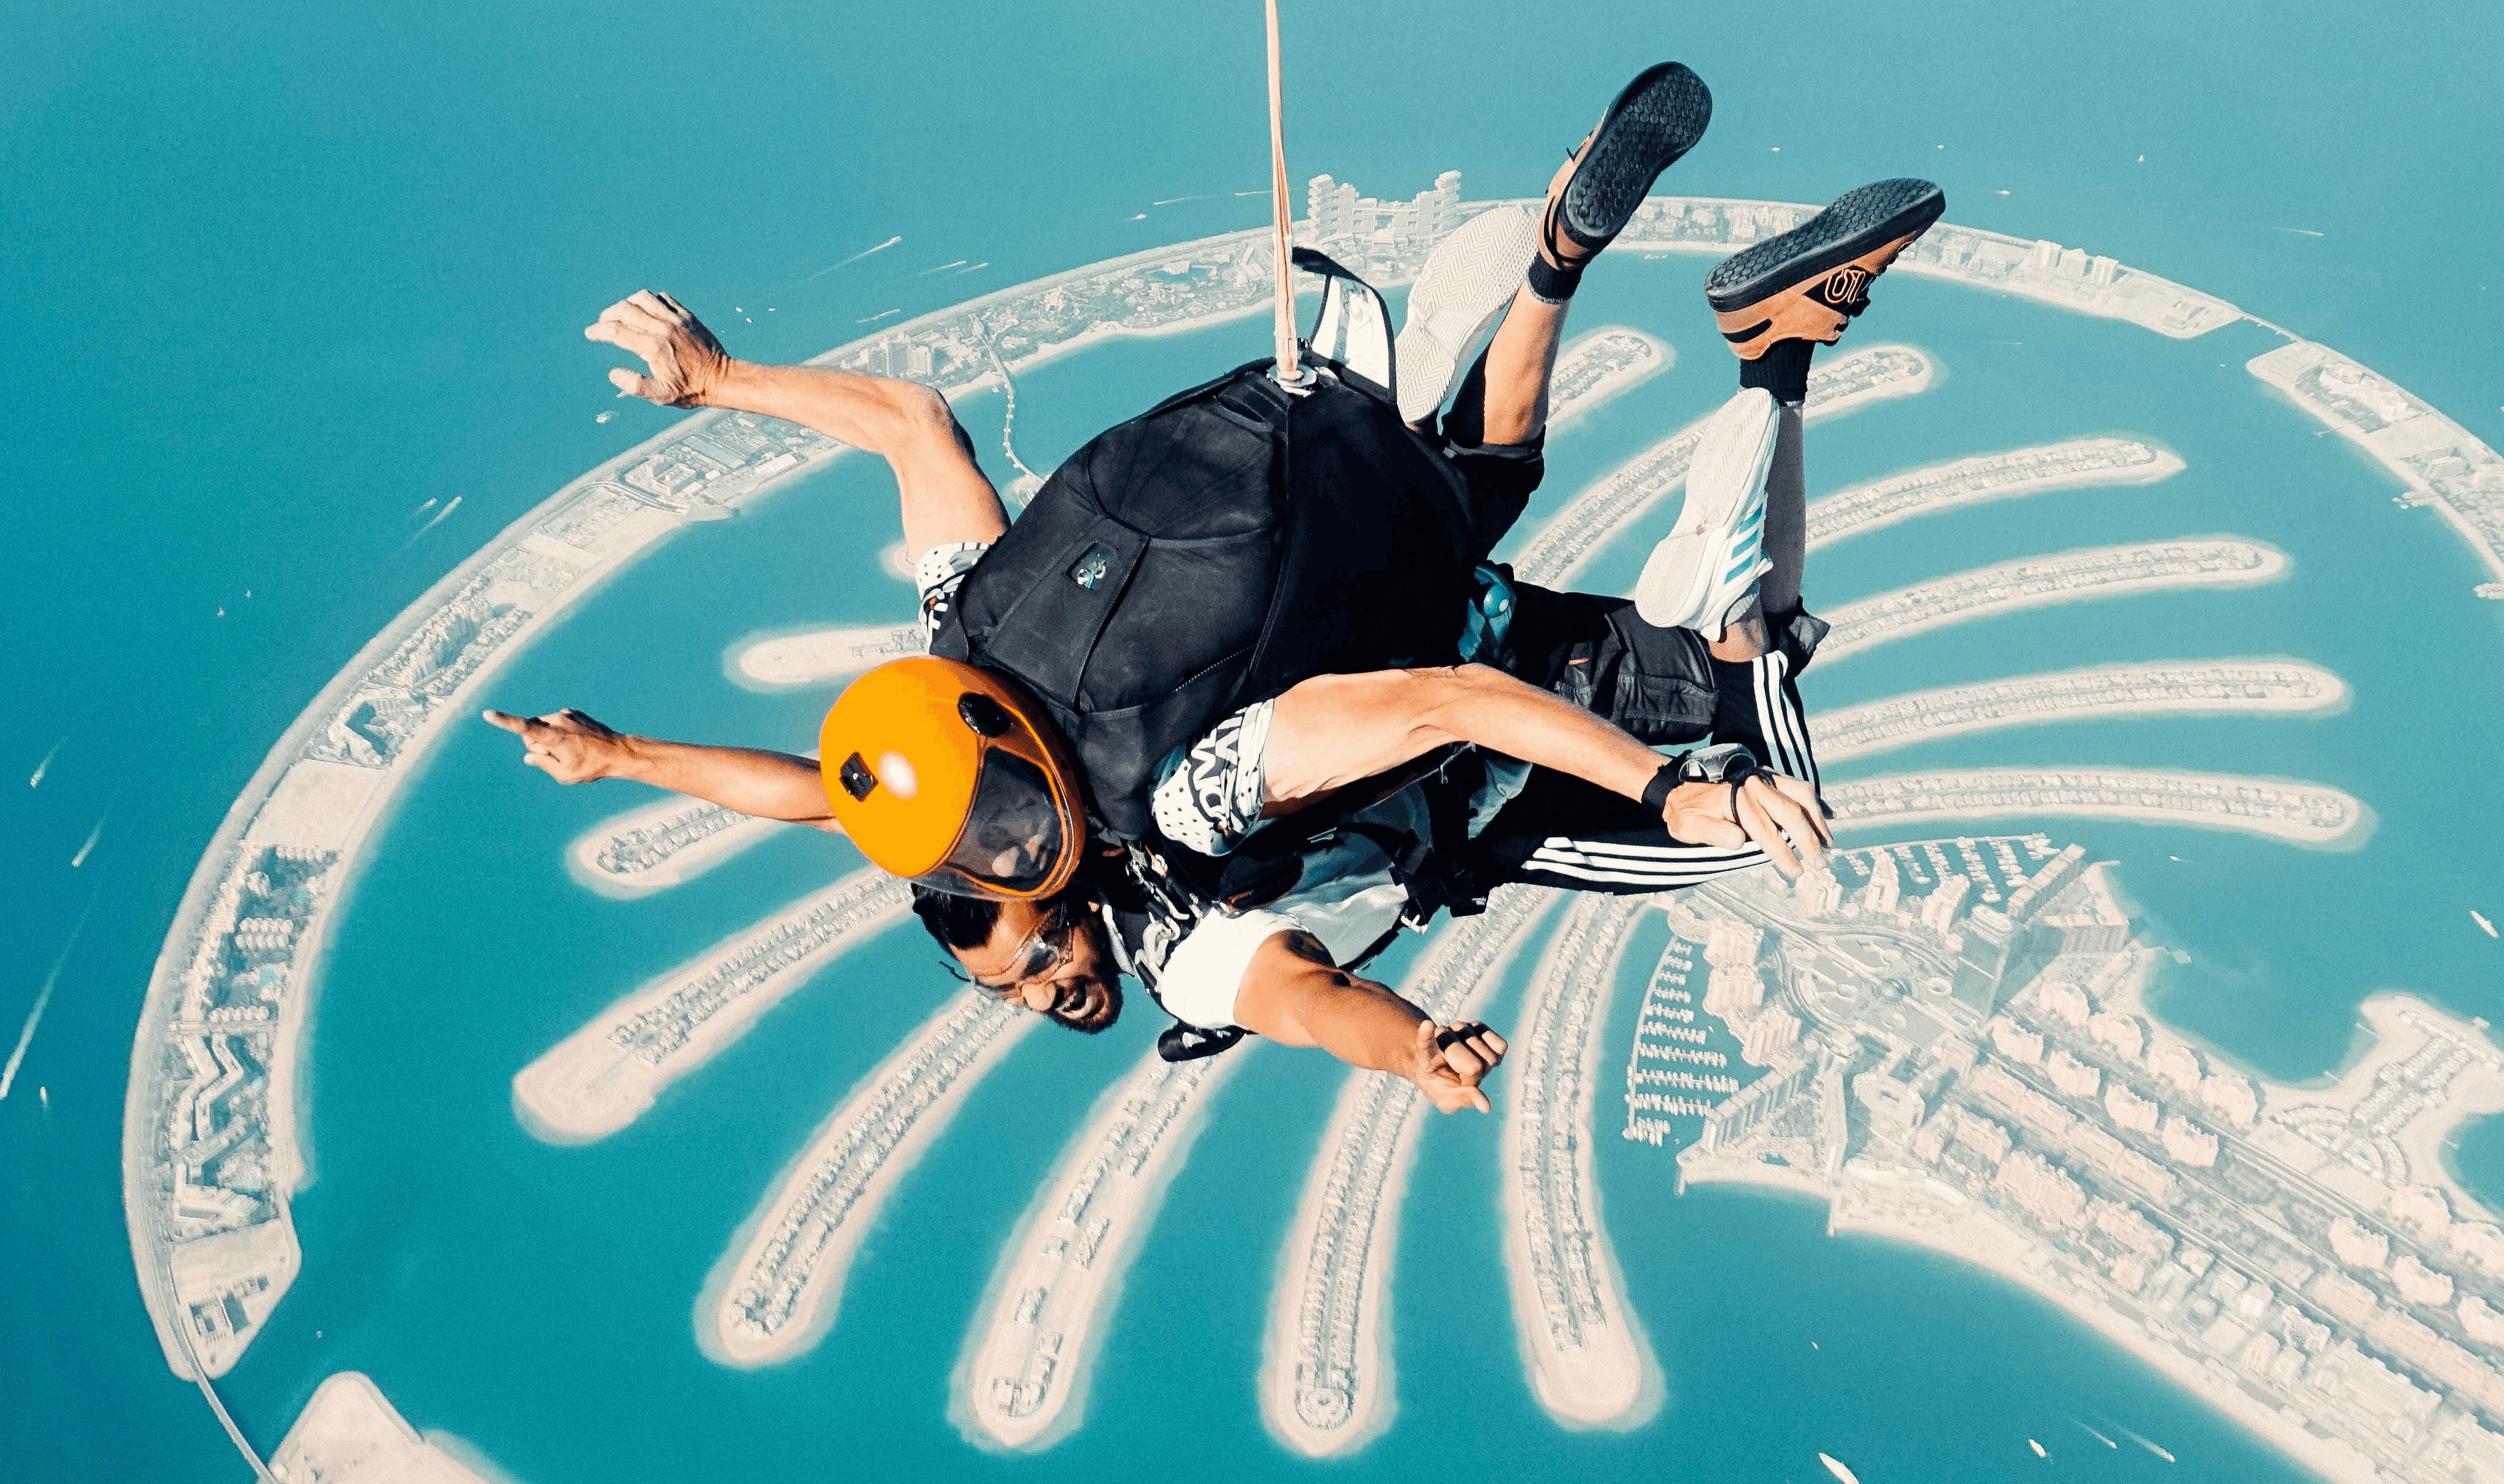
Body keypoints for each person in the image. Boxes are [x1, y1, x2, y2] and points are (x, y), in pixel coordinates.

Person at [488, 68, 1945, 1112]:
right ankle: (1556, 265)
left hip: (1493, 738)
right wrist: (723, 395)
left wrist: (1648, 808)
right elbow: (904, 449)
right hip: (1382, 569)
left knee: (1759, 754)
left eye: (1019, 972)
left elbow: (1303, 981)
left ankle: (1771, 354)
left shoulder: (1179, 842)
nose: (1043, 993)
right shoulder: (974, 637)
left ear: (1038, 886)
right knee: (1467, 480)